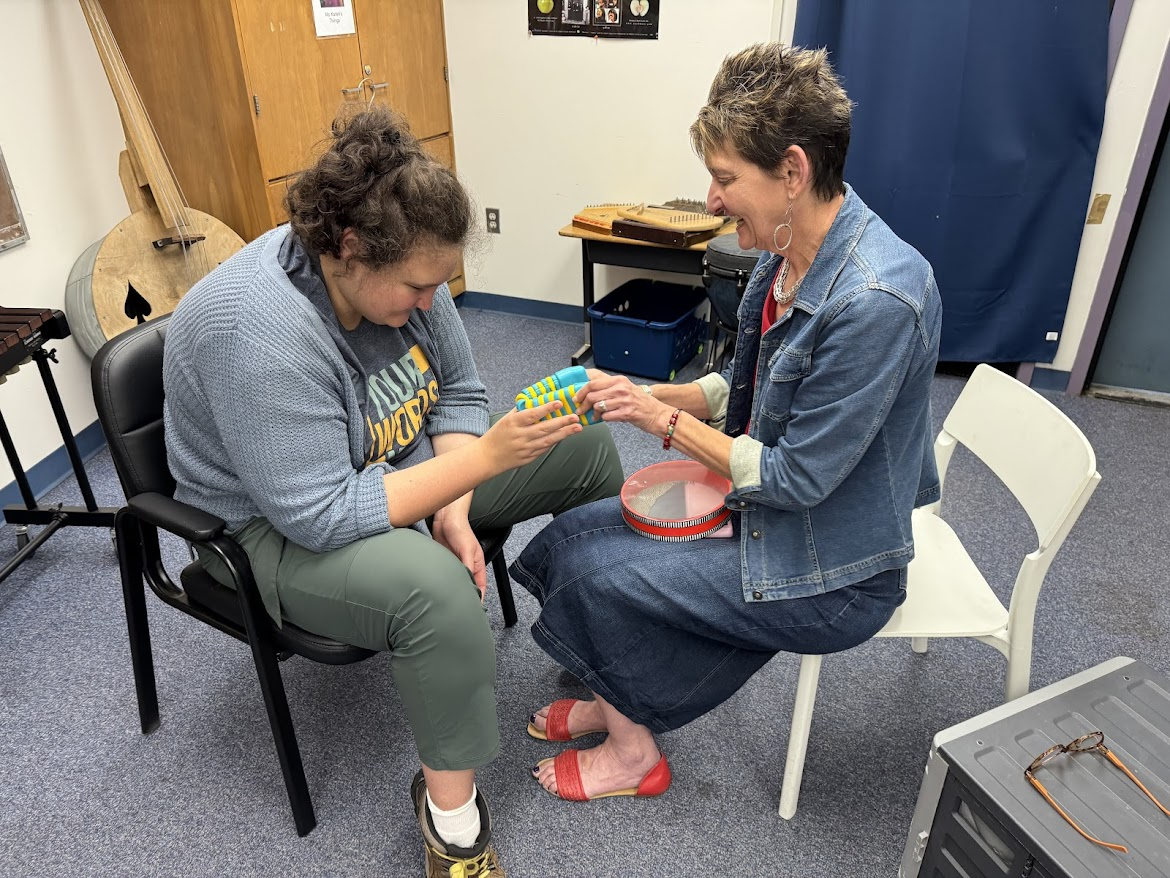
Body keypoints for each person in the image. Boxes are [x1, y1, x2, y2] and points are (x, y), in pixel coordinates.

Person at [163, 106, 624, 874]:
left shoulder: (405, 267)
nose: (430, 301)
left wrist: (452, 508)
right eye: (418, 287)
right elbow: (322, 513)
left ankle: (601, 637)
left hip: (382, 468)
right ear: (349, 248)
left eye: (441, 283)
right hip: (266, 531)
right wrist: (477, 470)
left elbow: (460, 391)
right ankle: (452, 821)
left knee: (584, 443)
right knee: (438, 594)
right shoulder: (258, 332)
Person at [511, 43, 943, 803]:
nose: (710, 201)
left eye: (723, 179)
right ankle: (617, 698)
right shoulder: (787, 252)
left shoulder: (877, 299)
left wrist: (656, 420)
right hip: (773, 503)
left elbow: (796, 478)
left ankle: (632, 752)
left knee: (603, 583)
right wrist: (636, 391)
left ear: (793, 172)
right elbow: (750, 383)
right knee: (571, 538)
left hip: (837, 567)